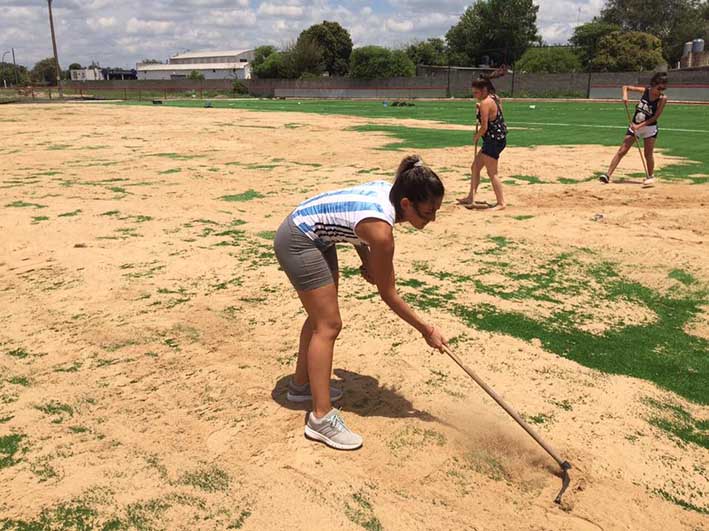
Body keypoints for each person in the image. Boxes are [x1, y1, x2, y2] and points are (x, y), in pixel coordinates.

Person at [273, 155, 448, 450]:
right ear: (406, 204)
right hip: (298, 239)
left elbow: (351, 222)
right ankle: (321, 419)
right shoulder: (382, 232)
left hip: (316, 236)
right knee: (328, 324)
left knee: (320, 319)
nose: (432, 219)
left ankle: (301, 388)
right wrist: (426, 329)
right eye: (428, 212)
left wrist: (366, 259)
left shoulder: (388, 192)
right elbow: (388, 294)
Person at [600, 72, 668, 186]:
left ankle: (650, 176)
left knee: (648, 154)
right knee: (622, 150)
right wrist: (625, 96)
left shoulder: (662, 99)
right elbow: (625, 87)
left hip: (649, 128)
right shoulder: (646, 91)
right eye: (659, 87)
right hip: (635, 125)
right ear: (654, 84)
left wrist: (638, 127)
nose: (661, 90)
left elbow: (655, 117)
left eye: (663, 88)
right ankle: (607, 175)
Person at [458, 70, 508, 211]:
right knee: (475, 167)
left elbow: (484, 127)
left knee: (492, 173)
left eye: (476, 93)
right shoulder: (494, 98)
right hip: (496, 139)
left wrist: (477, 136)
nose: (475, 96)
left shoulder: (486, 103)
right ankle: (470, 196)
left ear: (484, 90)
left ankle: (501, 203)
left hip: (493, 140)